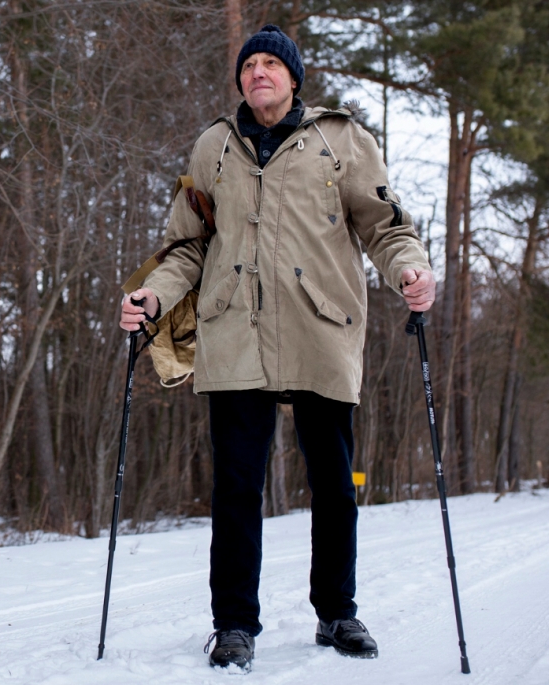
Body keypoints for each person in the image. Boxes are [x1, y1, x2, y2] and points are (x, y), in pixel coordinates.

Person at [119, 25, 436, 672]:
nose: (258, 72)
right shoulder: (213, 145)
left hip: (321, 327)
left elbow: (382, 224)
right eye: (249, 64)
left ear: (293, 78)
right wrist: (151, 295)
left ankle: (337, 611)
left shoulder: (339, 139)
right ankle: (233, 623)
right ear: (239, 79)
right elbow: (186, 245)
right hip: (233, 329)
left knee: (333, 481)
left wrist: (409, 269)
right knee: (236, 484)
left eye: (271, 63)